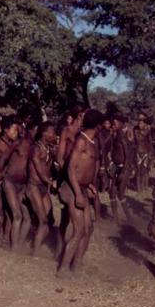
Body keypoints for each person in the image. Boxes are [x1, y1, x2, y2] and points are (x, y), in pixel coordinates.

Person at [57, 109, 104, 277]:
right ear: (97, 125)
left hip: (83, 188)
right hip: (72, 187)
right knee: (78, 231)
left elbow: (89, 166)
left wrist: (89, 184)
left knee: (88, 229)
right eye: (102, 124)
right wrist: (77, 192)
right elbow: (70, 168)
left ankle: (76, 266)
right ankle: (63, 269)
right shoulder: (81, 141)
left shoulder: (93, 142)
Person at [26, 121, 57, 256]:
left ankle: (35, 242)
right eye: (52, 132)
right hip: (34, 187)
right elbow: (38, 167)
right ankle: (35, 253)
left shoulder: (49, 148)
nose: (54, 134)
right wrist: (49, 181)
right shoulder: (36, 148)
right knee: (43, 221)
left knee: (49, 220)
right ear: (44, 134)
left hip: (43, 188)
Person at [3, 122, 34, 251]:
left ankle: (19, 246)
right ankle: (13, 249)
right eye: (18, 129)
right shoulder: (16, 143)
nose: (20, 131)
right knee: (17, 216)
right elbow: (3, 159)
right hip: (10, 182)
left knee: (27, 218)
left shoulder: (33, 147)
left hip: (23, 185)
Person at [108, 114, 133, 221]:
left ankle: (130, 219)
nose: (114, 124)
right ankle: (115, 217)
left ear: (122, 124)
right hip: (117, 167)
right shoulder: (115, 135)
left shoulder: (122, 136)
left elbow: (128, 154)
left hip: (124, 168)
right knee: (112, 193)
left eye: (116, 122)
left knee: (120, 194)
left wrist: (124, 170)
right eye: (113, 122)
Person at [134, 113, 152, 193]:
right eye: (139, 122)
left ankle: (145, 186)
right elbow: (137, 140)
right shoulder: (136, 131)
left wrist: (150, 152)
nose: (140, 124)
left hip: (146, 152)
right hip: (138, 152)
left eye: (142, 122)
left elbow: (150, 141)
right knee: (138, 171)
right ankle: (139, 188)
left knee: (145, 170)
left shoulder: (148, 130)